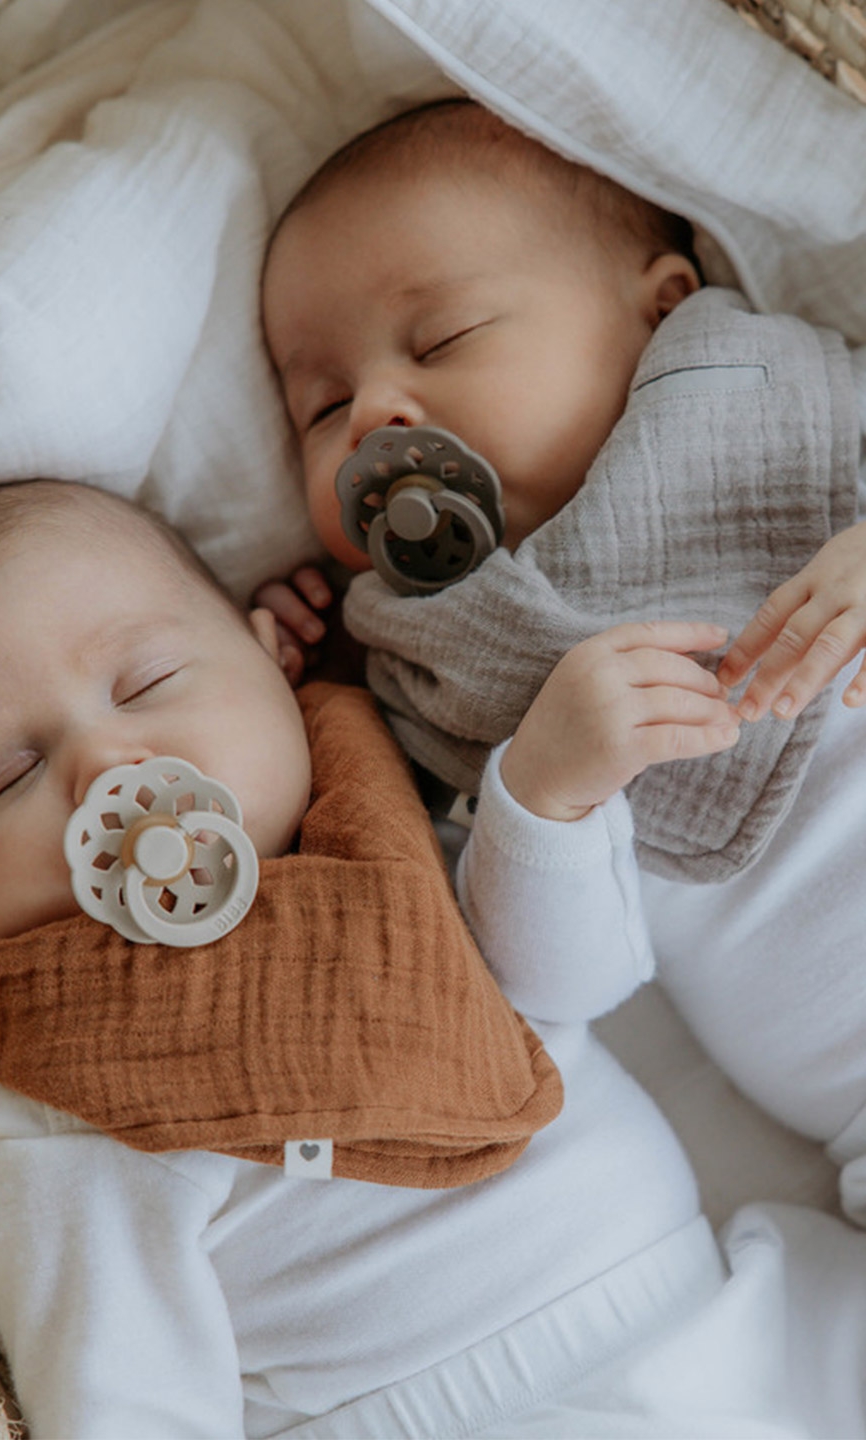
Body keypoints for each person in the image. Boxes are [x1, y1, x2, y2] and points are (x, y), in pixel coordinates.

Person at [0, 476, 834, 1437]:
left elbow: (575, 986)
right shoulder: (65, 1118)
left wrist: (545, 804)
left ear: (274, 664)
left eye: (147, 682)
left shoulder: (388, 851)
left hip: (731, 1321)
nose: (104, 768)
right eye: (6, 777)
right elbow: (128, 1400)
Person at [258, 97, 866, 1172]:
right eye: (320, 406)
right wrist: (543, 798)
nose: (371, 418)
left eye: (441, 338)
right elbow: (555, 993)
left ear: (662, 307)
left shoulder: (786, 410)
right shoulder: (434, 685)